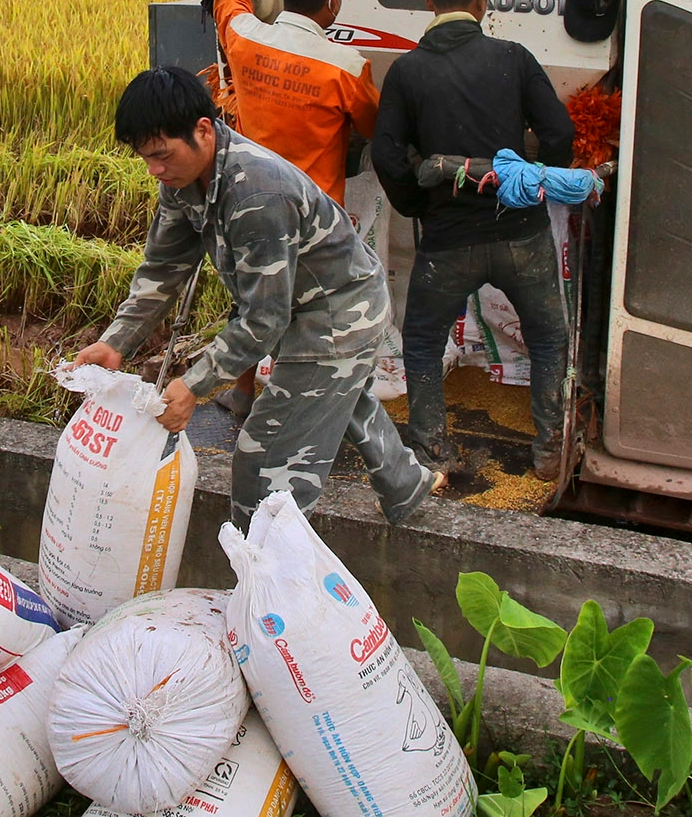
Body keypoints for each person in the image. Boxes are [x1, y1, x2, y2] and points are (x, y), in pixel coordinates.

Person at [73, 67, 443, 529]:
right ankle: (406, 484)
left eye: (162, 156)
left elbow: (262, 319)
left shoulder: (257, 194)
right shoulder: (180, 180)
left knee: (263, 460)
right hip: (300, 302)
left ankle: (268, 577)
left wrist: (195, 385)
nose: (155, 170)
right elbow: (164, 269)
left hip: (338, 311)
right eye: (146, 158)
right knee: (336, 395)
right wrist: (117, 343)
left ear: (203, 131)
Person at [373, 0, 576, 482]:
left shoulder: (407, 72)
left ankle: (433, 454)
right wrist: (530, 182)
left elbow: (387, 157)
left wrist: (419, 205)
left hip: (445, 241)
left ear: (429, 2)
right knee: (549, 337)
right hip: (522, 235)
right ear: (484, 1)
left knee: (419, 341)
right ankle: (549, 451)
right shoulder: (514, 57)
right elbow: (560, 136)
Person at [201, 0, 383, 415]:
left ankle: (240, 391)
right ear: (333, 3)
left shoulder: (243, 35)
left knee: (252, 301)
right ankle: (296, 405)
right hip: (312, 214)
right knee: (312, 311)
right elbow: (373, 128)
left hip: (247, 202)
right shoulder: (347, 65)